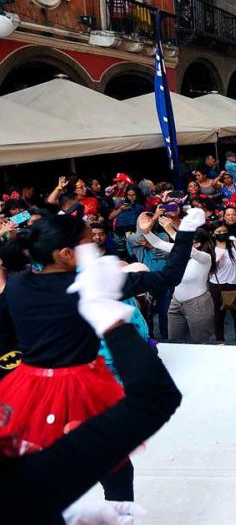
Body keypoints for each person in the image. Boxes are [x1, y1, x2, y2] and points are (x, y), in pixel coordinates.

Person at [0, 209, 199, 502]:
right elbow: (169, 276)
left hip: (28, 391)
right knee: (116, 470)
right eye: (89, 244)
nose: (96, 249)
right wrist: (186, 233)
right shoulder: (91, 287)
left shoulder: (17, 285)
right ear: (67, 253)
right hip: (78, 389)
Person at [142, 229, 214, 342]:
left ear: (197, 244)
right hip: (175, 302)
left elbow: (192, 252)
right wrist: (145, 231)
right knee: (174, 342)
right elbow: (158, 243)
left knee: (201, 344)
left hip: (197, 304)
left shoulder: (205, 258)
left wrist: (171, 231)